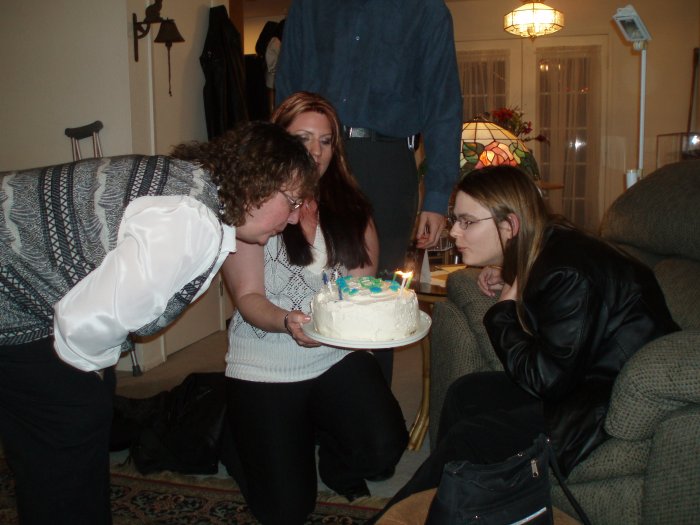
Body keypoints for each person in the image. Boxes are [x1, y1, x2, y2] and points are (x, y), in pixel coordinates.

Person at [0, 121, 318, 525]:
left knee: (66, 425)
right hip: (12, 294)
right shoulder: (190, 221)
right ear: (258, 184)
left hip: (20, 284)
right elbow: (84, 323)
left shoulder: (196, 185)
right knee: (70, 427)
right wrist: (89, 375)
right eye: (292, 202)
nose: (293, 219)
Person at [371, 165, 679, 521]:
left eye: (468, 222)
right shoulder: (546, 245)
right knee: (466, 393)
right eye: (456, 219)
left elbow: (546, 379)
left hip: (612, 400)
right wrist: (508, 267)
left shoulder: (567, 272)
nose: (454, 231)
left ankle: (396, 518)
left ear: (510, 225)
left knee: (473, 437)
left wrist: (503, 312)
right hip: (581, 376)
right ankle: (460, 501)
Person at [221, 92, 409, 525]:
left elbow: (364, 283)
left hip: (334, 354)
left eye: (326, 141)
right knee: (287, 511)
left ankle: (320, 436)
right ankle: (240, 433)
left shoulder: (351, 206)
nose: (316, 151)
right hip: (265, 359)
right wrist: (288, 322)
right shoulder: (248, 205)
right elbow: (248, 299)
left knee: (382, 450)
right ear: (277, 139)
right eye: (303, 137)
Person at [274, 0, 463, 383]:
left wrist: (438, 195)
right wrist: (278, 166)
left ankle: (368, 411)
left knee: (375, 296)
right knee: (305, 279)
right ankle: (302, 396)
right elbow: (286, 91)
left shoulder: (426, 11)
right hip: (314, 156)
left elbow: (443, 106)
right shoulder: (308, 8)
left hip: (387, 163)